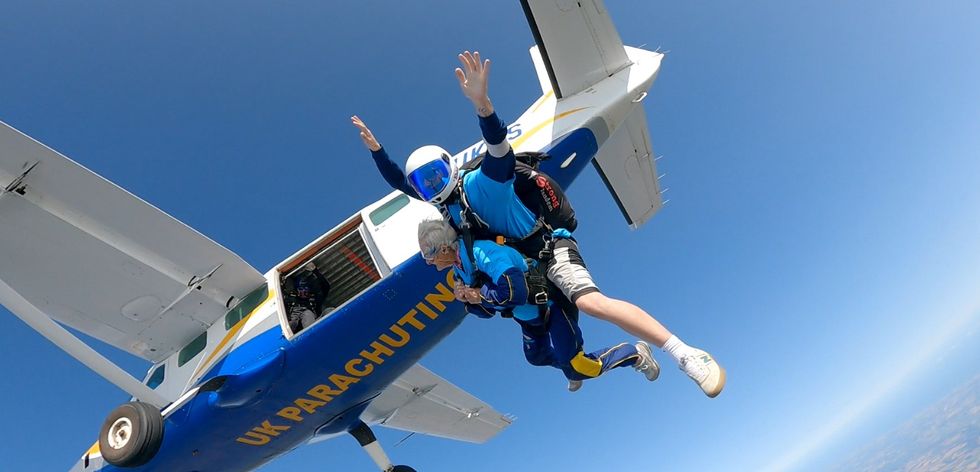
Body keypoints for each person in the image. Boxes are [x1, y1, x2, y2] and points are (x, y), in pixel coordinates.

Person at [352, 51, 725, 398]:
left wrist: (482, 105)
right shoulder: (450, 214)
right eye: (424, 184)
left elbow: (498, 149)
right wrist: (376, 153)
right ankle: (574, 364)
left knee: (591, 302)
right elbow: (401, 183)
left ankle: (685, 353)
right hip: (528, 269)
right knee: (544, 352)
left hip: (550, 246)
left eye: (434, 177)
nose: (430, 187)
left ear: (449, 167)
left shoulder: (482, 183)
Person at [417, 218, 659, 391]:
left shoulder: (482, 252)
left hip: (551, 306)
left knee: (580, 367)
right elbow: (488, 311)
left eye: (429, 255)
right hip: (529, 319)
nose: (428, 262)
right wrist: (467, 301)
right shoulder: (460, 271)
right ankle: (568, 363)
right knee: (537, 356)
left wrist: (478, 295)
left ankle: (633, 354)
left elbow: (515, 291)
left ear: (445, 248)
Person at [286, 262, 332, 333]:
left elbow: (326, 287)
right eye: (301, 289)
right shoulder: (290, 299)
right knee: (296, 321)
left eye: (305, 289)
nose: (303, 292)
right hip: (295, 329)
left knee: (328, 310)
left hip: (312, 325)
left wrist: (315, 271)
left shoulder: (314, 300)